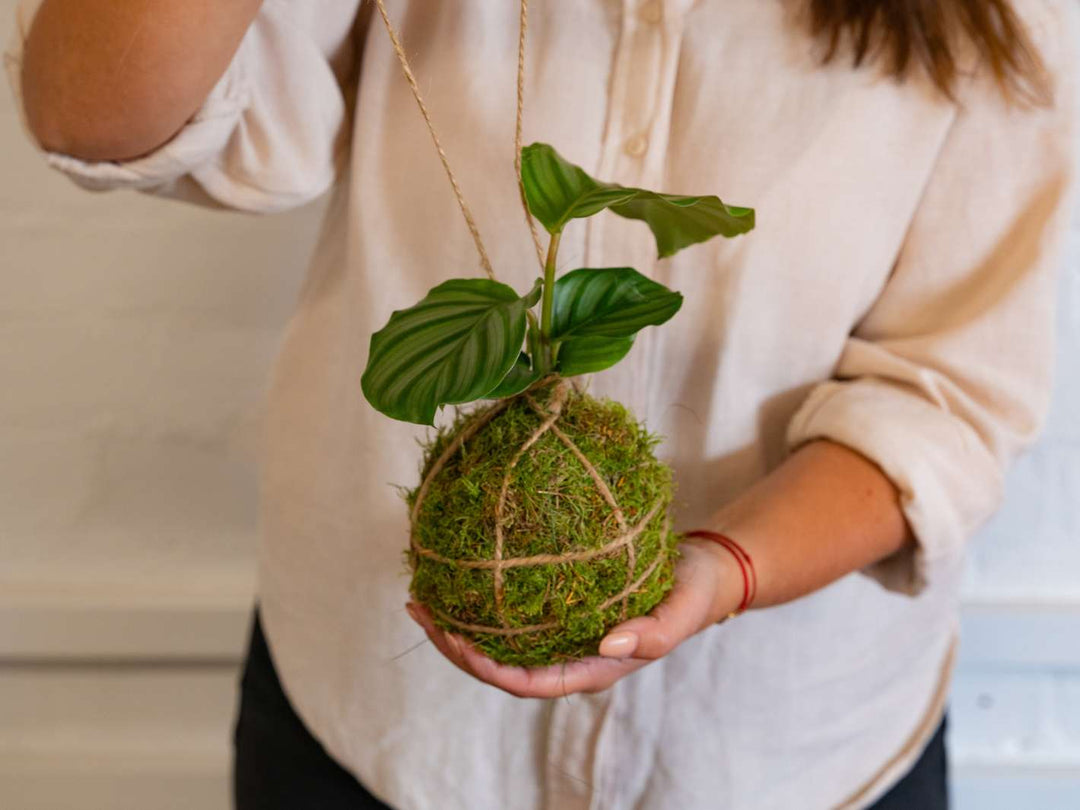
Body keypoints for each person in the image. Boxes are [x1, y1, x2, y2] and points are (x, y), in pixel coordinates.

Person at [7, 0, 1077, 808]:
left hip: (784, 752)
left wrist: (721, 570)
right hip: (378, 727)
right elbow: (103, 118)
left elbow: (944, 398)